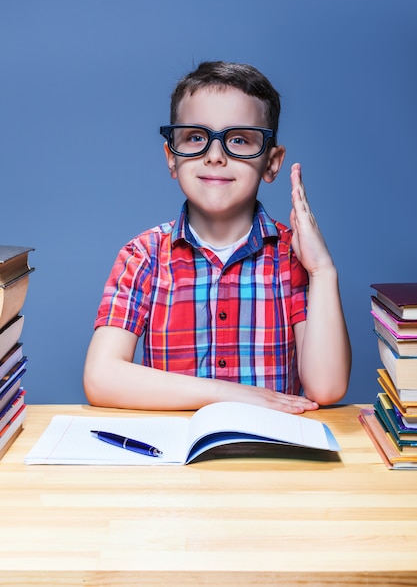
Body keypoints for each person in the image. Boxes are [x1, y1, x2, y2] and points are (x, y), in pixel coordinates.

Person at [83, 61, 351, 413]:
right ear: (171, 158)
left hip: (271, 461)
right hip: (176, 460)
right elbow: (101, 377)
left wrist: (322, 271)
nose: (214, 156)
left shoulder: (290, 257)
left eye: (239, 140)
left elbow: (327, 387)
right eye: (196, 137)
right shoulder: (143, 255)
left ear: (272, 162)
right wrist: (228, 393)